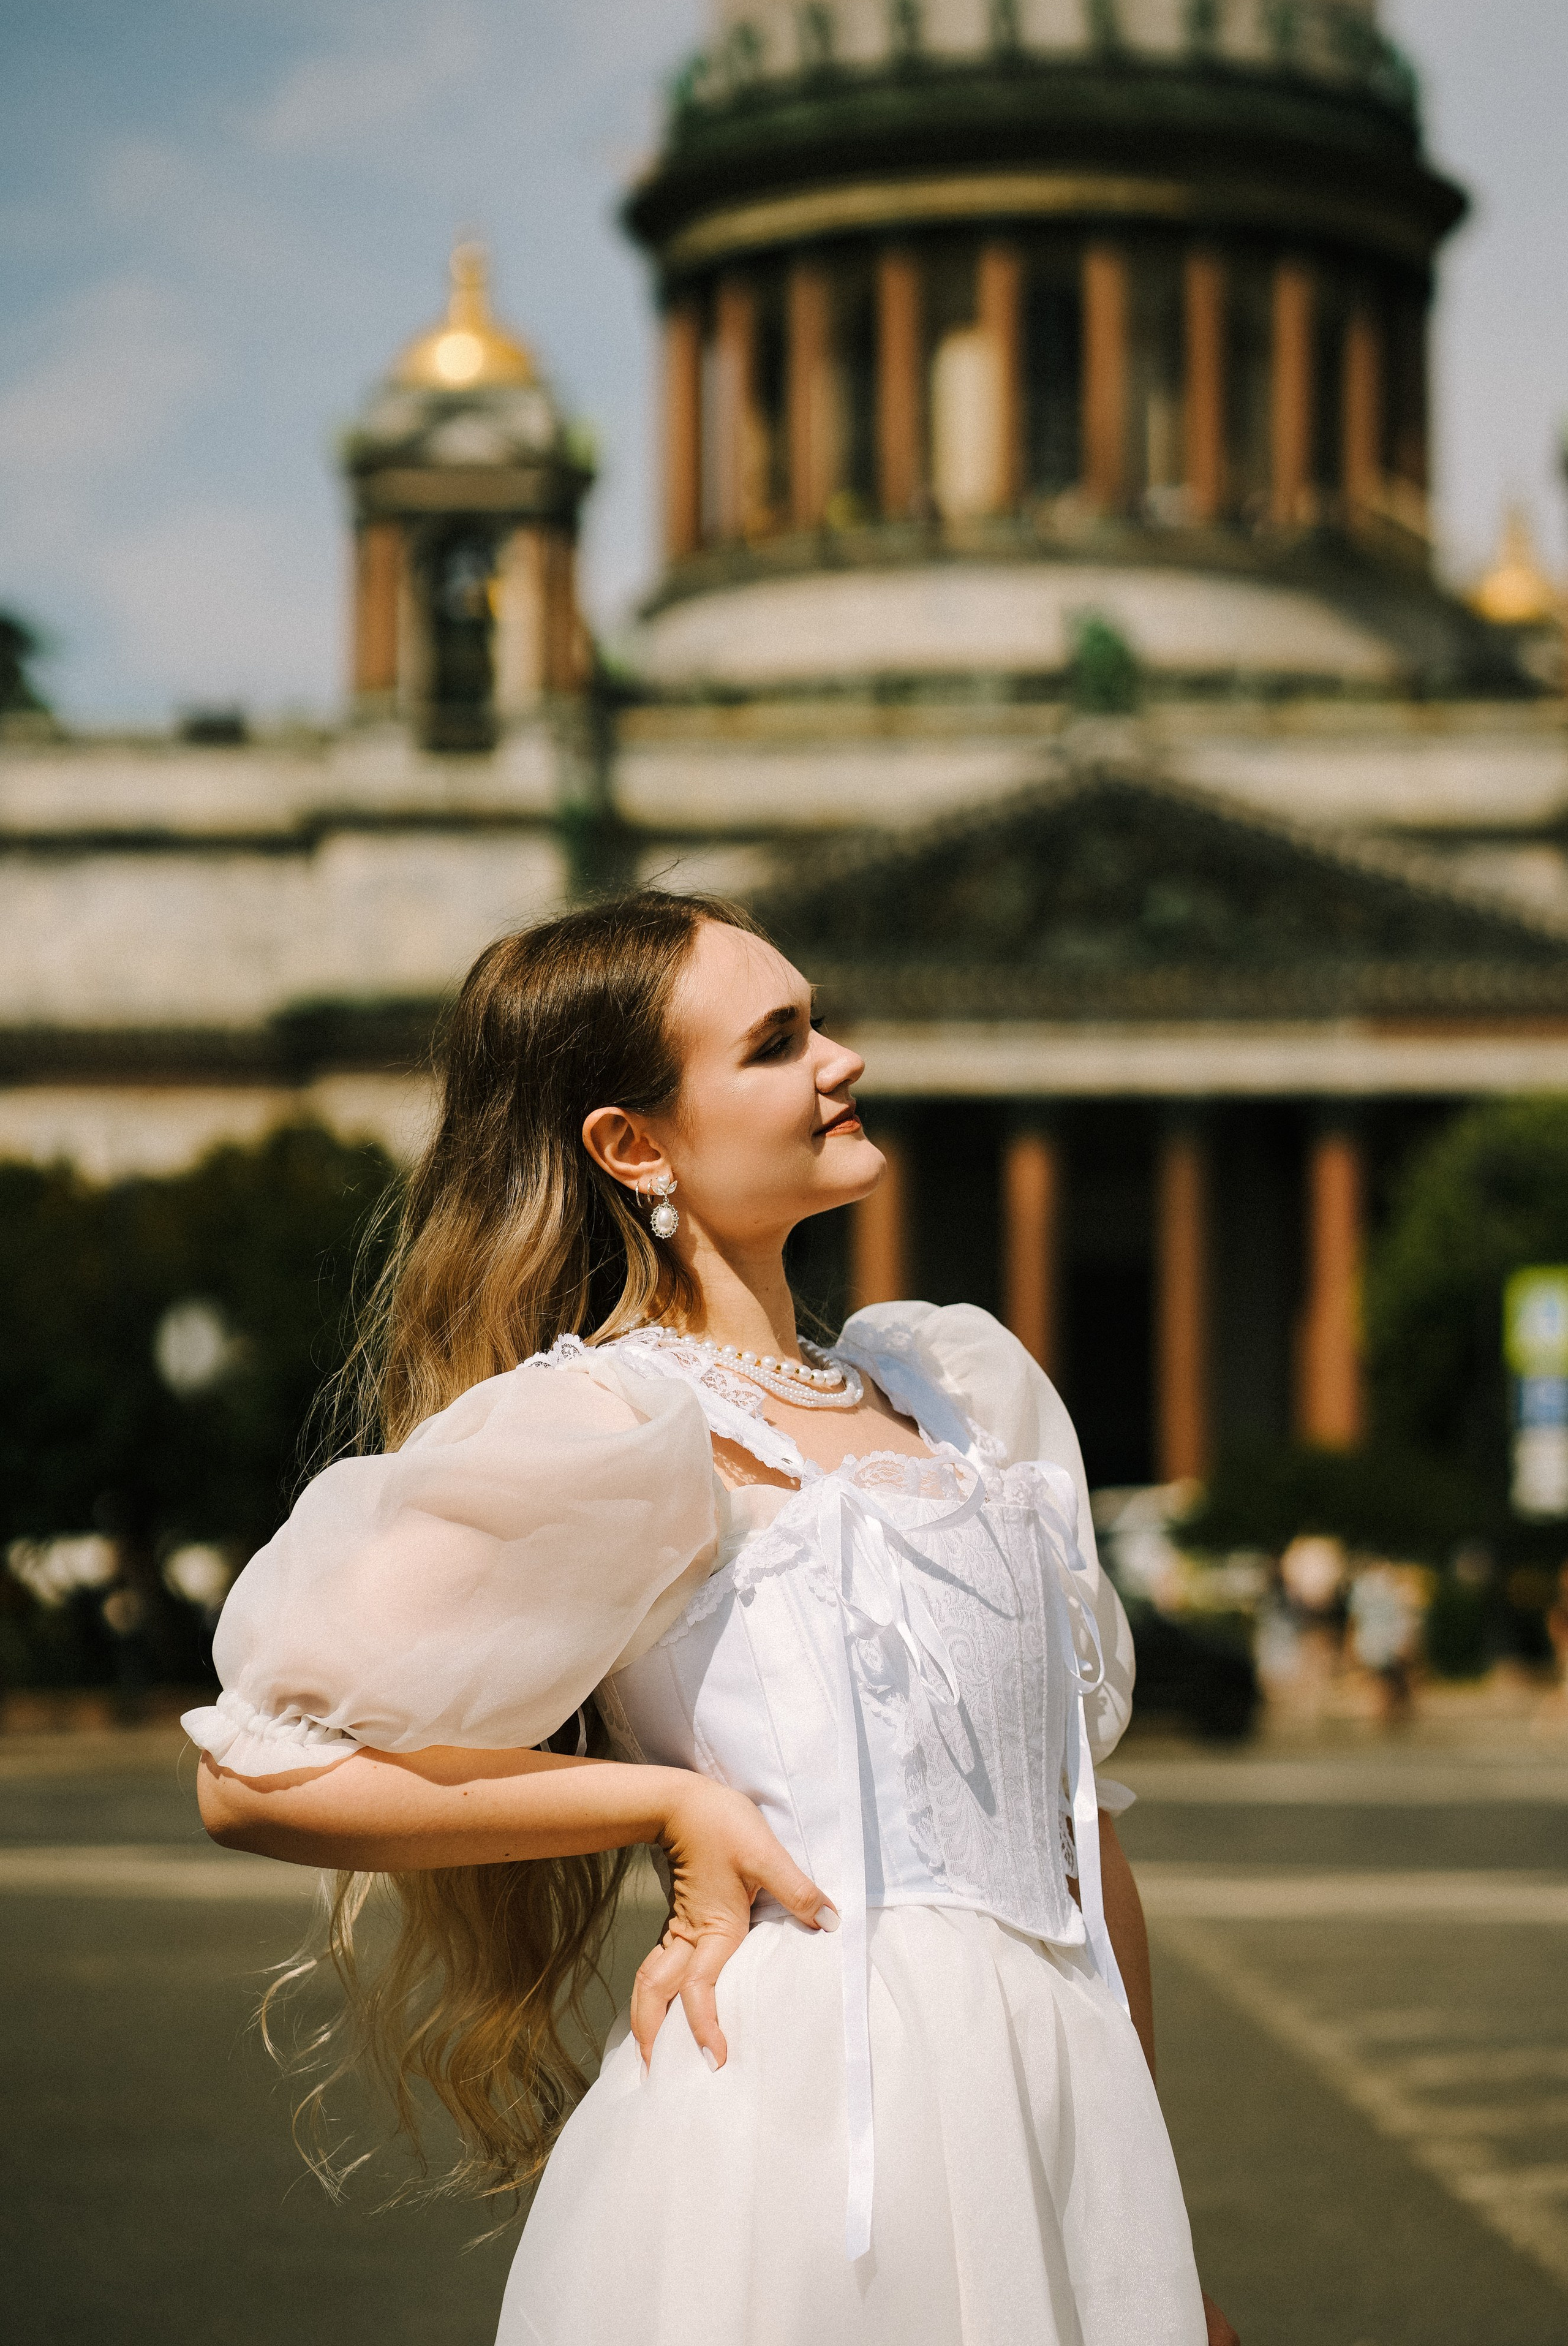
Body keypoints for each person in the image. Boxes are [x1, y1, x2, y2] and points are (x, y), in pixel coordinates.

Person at [185, 891, 1238, 2346]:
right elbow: (252, 1766)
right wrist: (672, 1804)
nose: (843, 1060)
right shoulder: (607, 1422)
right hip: (790, 2140)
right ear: (633, 1144)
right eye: (778, 1042)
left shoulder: (963, 1397)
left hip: (1060, 2129)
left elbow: (1081, 1840)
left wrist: (1150, 2238)